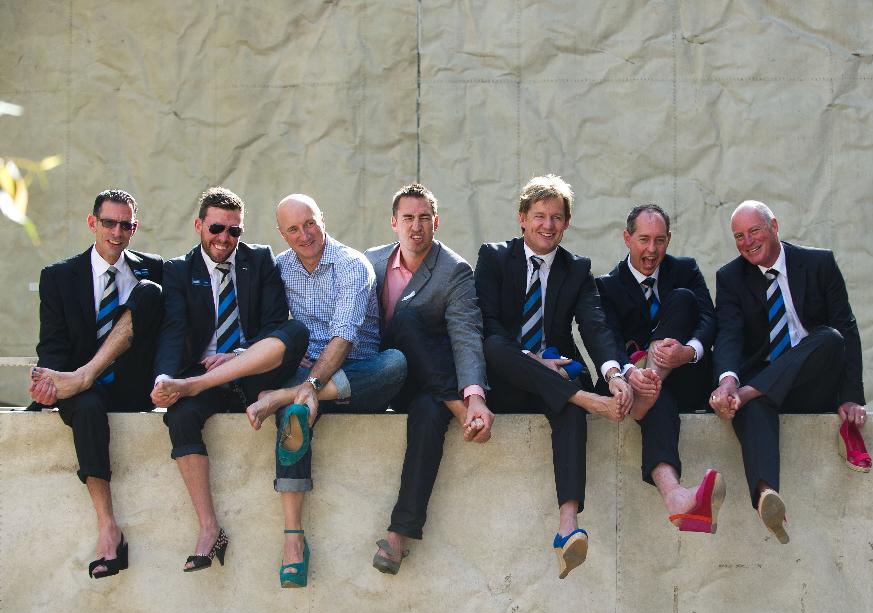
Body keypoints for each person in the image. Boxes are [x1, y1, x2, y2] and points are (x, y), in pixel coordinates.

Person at [474, 174, 648, 579]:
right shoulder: (495, 258)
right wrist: (532, 360)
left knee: (569, 397)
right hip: (509, 374)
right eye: (539, 216)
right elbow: (488, 325)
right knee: (494, 346)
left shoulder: (577, 269)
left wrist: (615, 374)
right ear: (522, 218)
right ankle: (586, 400)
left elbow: (595, 326)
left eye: (556, 218)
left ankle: (567, 527)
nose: (547, 225)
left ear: (567, 223)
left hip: (557, 373)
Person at [242, 193, 406, 587]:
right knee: (294, 415)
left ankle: (285, 397)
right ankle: (293, 539)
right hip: (307, 385)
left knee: (396, 363)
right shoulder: (280, 269)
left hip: (356, 380)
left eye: (310, 223)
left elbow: (343, 336)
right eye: (294, 229)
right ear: (282, 234)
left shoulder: (352, 265)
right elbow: (266, 328)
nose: (305, 234)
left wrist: (310, 386)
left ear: (323, 219)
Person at [151, 187, 308, 572]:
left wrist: (238, 355)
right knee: (181, 417)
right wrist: (164, 378)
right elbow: (173, 329)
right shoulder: (177, 271)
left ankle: (294, 534)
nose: (224, 238)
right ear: (199, 225)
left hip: (252, 373)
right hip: (202, 377)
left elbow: (274, 324)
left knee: (295, 331)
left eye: (234, 231)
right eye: (217, 228)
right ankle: (209, 528)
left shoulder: (260, 260)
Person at [709, 200, 867, 544]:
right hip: (764, 384)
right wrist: (729, 381)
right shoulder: (730, 277)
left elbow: (847, 330)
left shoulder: (818, 263)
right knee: (750, 403)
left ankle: (750, 392)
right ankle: (767, 495)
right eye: (738, 236)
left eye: (754, 231)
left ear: (774, 226)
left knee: (831, 338)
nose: (747, 241)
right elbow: (729, 335)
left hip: (811, 381)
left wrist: (852, 396)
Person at [29, 189, 163, 578]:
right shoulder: (59, 277)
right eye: (109, 223)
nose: (117, 232)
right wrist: (48, 382)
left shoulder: (153, 270)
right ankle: (108, 527)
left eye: (126, 224)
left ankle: (84, 376)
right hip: (78, 391)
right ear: (93, 223)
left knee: (150, 293)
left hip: (129, 388)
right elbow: (52, 346)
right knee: (86, 406)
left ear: (134, 228)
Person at [364, 183, 494, 574]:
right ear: (393, 223)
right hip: (385, 375)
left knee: (427, 412)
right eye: (408, 218)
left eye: (424, 218)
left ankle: (397, 536)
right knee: (401, 322)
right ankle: (455, 407)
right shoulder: (369, 263)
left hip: (427, 381)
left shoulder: (453, 270)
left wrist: (475, 395)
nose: (416, 227)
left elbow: (467, 333)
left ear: (436, 222)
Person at [596, 204, 723, 534]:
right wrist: (630, 373)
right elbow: (605, 337)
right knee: (657, 399)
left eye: (660, 240)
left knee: (683, 299)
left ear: (669, 239)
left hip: (686, 376)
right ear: (627, 238)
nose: (651, 250)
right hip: (633, 381)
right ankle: (677, 497)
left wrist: (687, 352)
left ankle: (645, 390)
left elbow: (709, 320)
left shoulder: (686, 270)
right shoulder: (606, 286)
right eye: (643, 240)